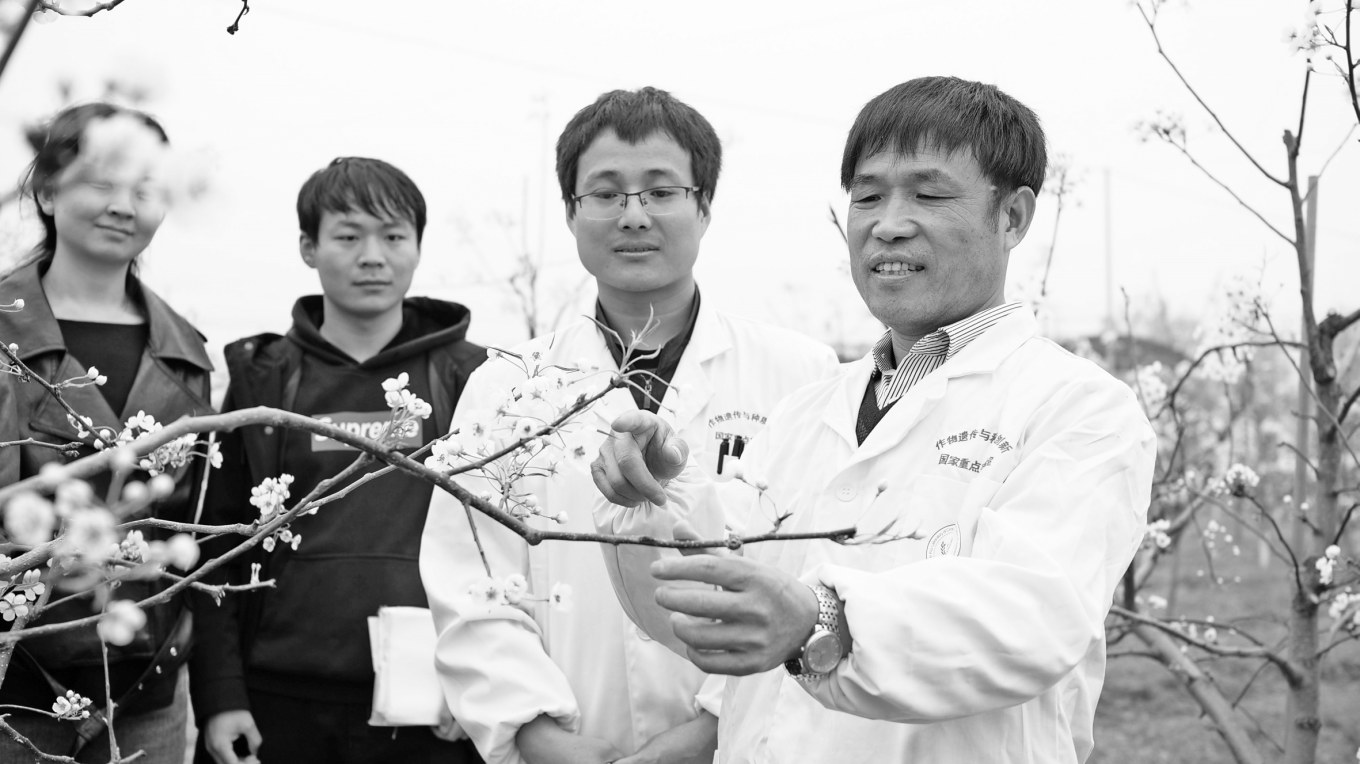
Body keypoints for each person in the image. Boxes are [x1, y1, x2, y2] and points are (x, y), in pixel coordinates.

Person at [590, 76, 1157, 764]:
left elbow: (1033, 618)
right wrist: (652, 497)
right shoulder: (806, 413)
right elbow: (706, 600)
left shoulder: (1079, 409)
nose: (888, 223)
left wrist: (823, 620)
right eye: (867, 196)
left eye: (928, 194)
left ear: (1012, 216)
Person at [420, 87, 839, 764]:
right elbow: (468, 579)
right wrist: (535, 733)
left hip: (745, 742)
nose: (634, 215)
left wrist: (711, 730)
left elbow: (816, 575)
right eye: (607, 193)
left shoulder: (800, 374)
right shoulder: (505, 388)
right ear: (570, 211)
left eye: (661, 191)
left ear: (704, 206)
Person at [188, 157, 486, 764]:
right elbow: (216, 542)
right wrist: (220, 696)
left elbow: (503, 547)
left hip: (433, 704)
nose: (372, 257)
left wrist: (483, 683)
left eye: (393, 237)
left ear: (417, 247)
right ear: (309, 247)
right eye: (348, 237)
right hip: (277, 701)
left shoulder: (471, 377)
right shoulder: (265, 380)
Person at [0, 103, 214, 762]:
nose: (123, 206)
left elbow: (195, 529)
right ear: (46, 189)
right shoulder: (4, 329)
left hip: (147, 689)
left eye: (145, 188)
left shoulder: (187, 352)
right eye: (102, 182)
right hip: (16, 680)